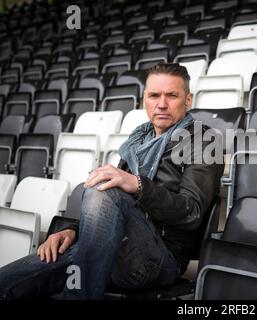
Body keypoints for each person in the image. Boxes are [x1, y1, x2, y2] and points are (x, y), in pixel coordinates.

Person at [0, 63, 224, 299]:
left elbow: (192, 212)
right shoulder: (138, 140)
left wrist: (138, 185)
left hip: (159, 260)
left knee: (103, 188)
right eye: (154, 95)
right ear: (144, 99)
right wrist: (73, 231)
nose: (161, 104)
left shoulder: (205, 141)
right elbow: (110, 207)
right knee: (6, 284)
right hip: (110, 247)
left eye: (172, 95)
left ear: (188, 100)